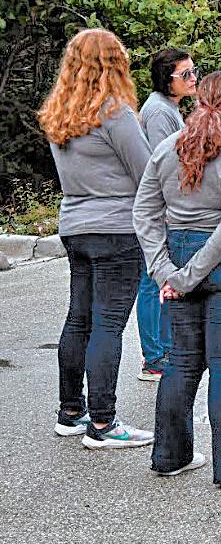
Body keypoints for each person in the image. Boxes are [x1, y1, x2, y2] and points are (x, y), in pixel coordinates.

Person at [133, 70, 221, 487]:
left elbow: (144, 213)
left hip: (179, 258)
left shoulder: (166, 149)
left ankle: (170, 457)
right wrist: (185, 276)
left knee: (182, 360)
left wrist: (166, 272)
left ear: (199, 102)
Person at [38, 28, 154, 448]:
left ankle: (71, 411)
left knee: (79, 319)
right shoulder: (115, 113)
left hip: (75, 225)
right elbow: (147, 172)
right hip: (116, 227)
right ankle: (103, 423)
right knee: (108, 324)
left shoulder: (59, 115)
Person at [134, 48, 199, 381]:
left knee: (160, 278)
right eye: (185, 74)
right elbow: (165, 162)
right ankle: (155, 357)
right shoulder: (159, 112)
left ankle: (164, 350)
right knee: (152, 280)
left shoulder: (169, 107)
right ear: (166, 79)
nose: (193, 78)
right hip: (158, 207)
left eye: (194, 71)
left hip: (161, 206)